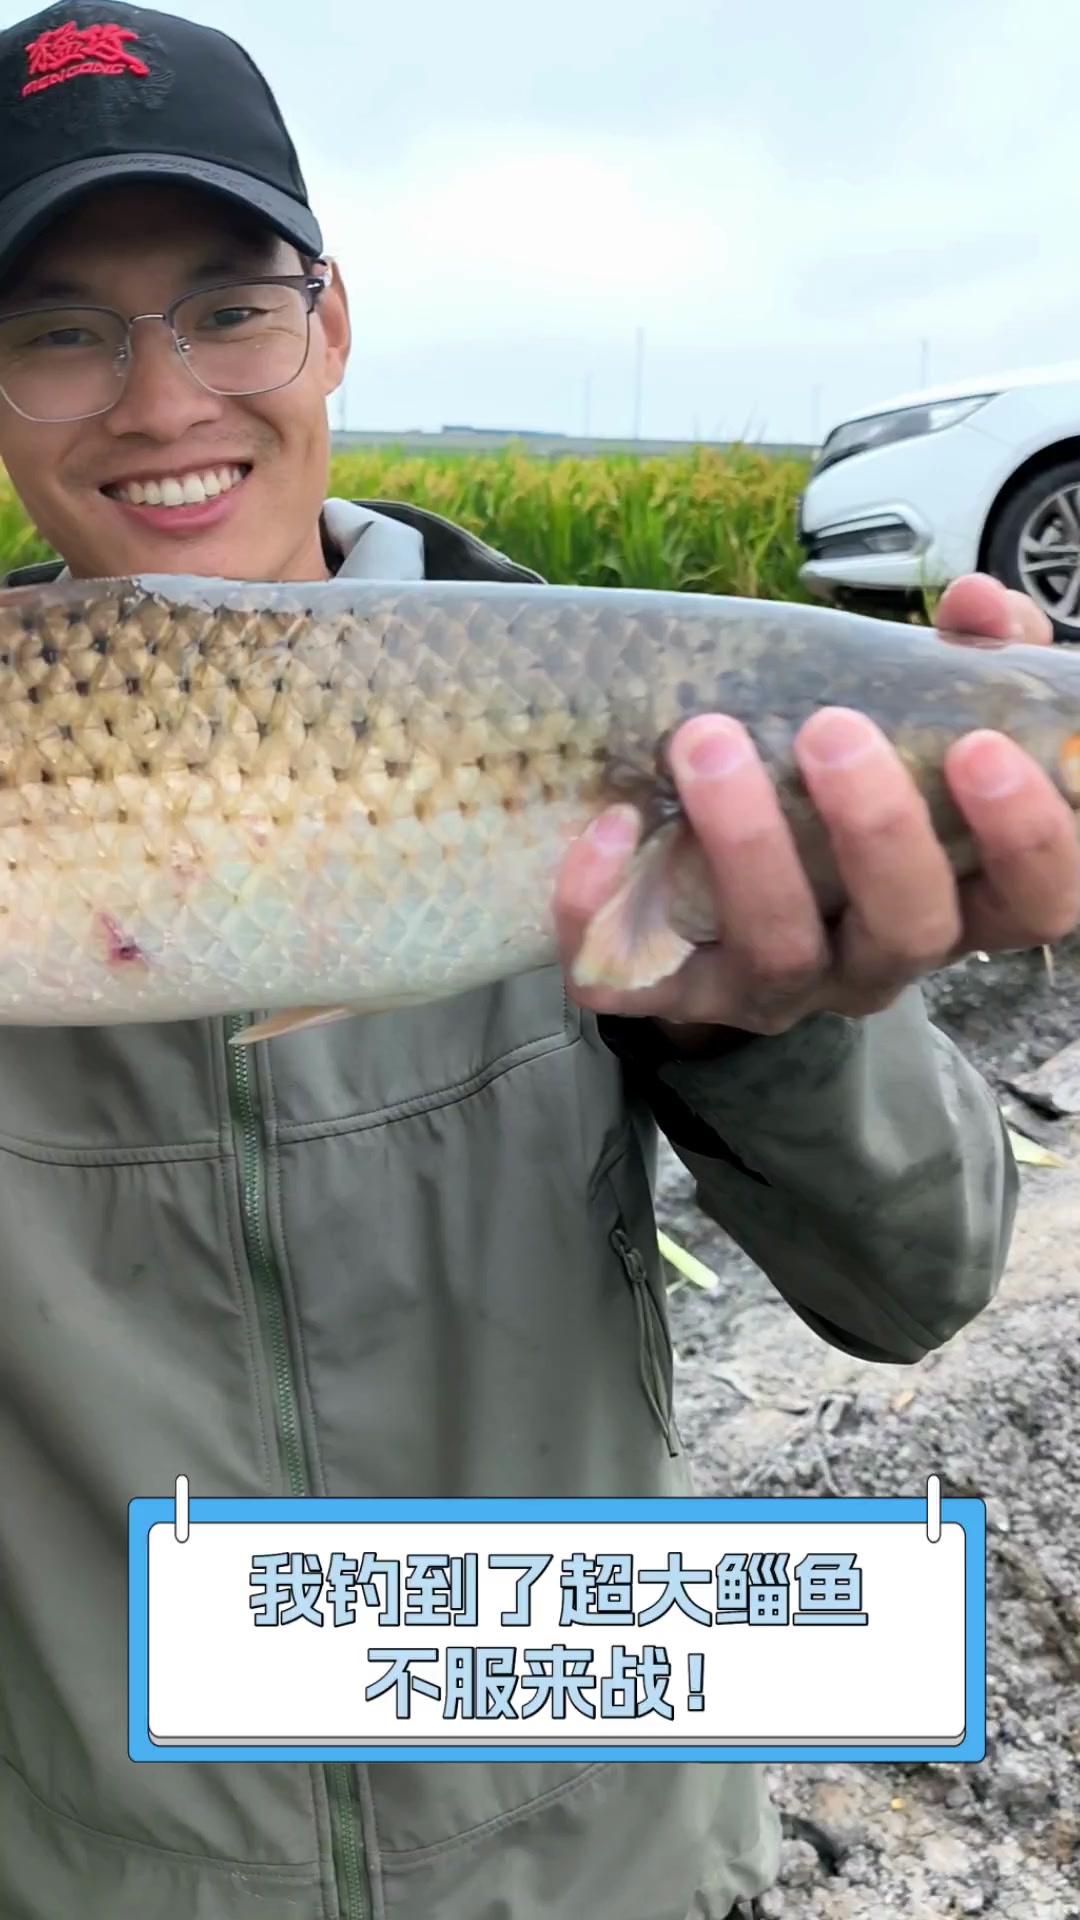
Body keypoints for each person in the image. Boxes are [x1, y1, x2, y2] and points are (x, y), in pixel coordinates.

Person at [0, 6, 1074, 1918]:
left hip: (601, 1857)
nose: (160, 404)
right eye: (60, 331)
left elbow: (929, 1286)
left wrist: (773, 1025)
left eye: (228, 307)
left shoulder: (624, 705)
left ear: (330, 321)